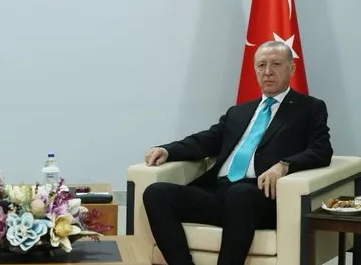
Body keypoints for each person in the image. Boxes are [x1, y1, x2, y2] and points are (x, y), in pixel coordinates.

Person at [142, 40, 333, 265]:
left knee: (240, 194)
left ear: (291, 69)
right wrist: (167, 150)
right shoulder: (239, 111)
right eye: (261, 65)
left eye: (276, 64)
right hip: (219, 192)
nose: (268, 71)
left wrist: (284, 165)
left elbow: (321, 150)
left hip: (260, 196)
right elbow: (207, 139)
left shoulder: (309, 108)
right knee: (156, 193)